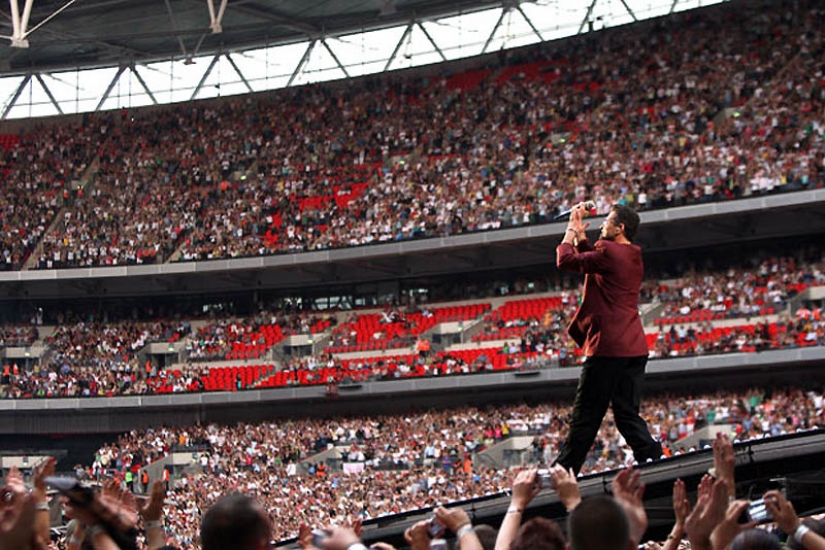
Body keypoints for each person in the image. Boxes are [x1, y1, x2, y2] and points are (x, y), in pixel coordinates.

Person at [554, 202, 662, 473]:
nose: (602, 225)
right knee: (626, 413)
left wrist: (570, 230)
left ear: (620, 227)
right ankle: (651, 456)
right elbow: (595, 262)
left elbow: (565, 260)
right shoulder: (632, 253)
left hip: (607, 348)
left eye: (607, 221)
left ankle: (564, 470)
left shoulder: (608, 251)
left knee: (586, 415)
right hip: (634, 345)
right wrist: (582, 236)